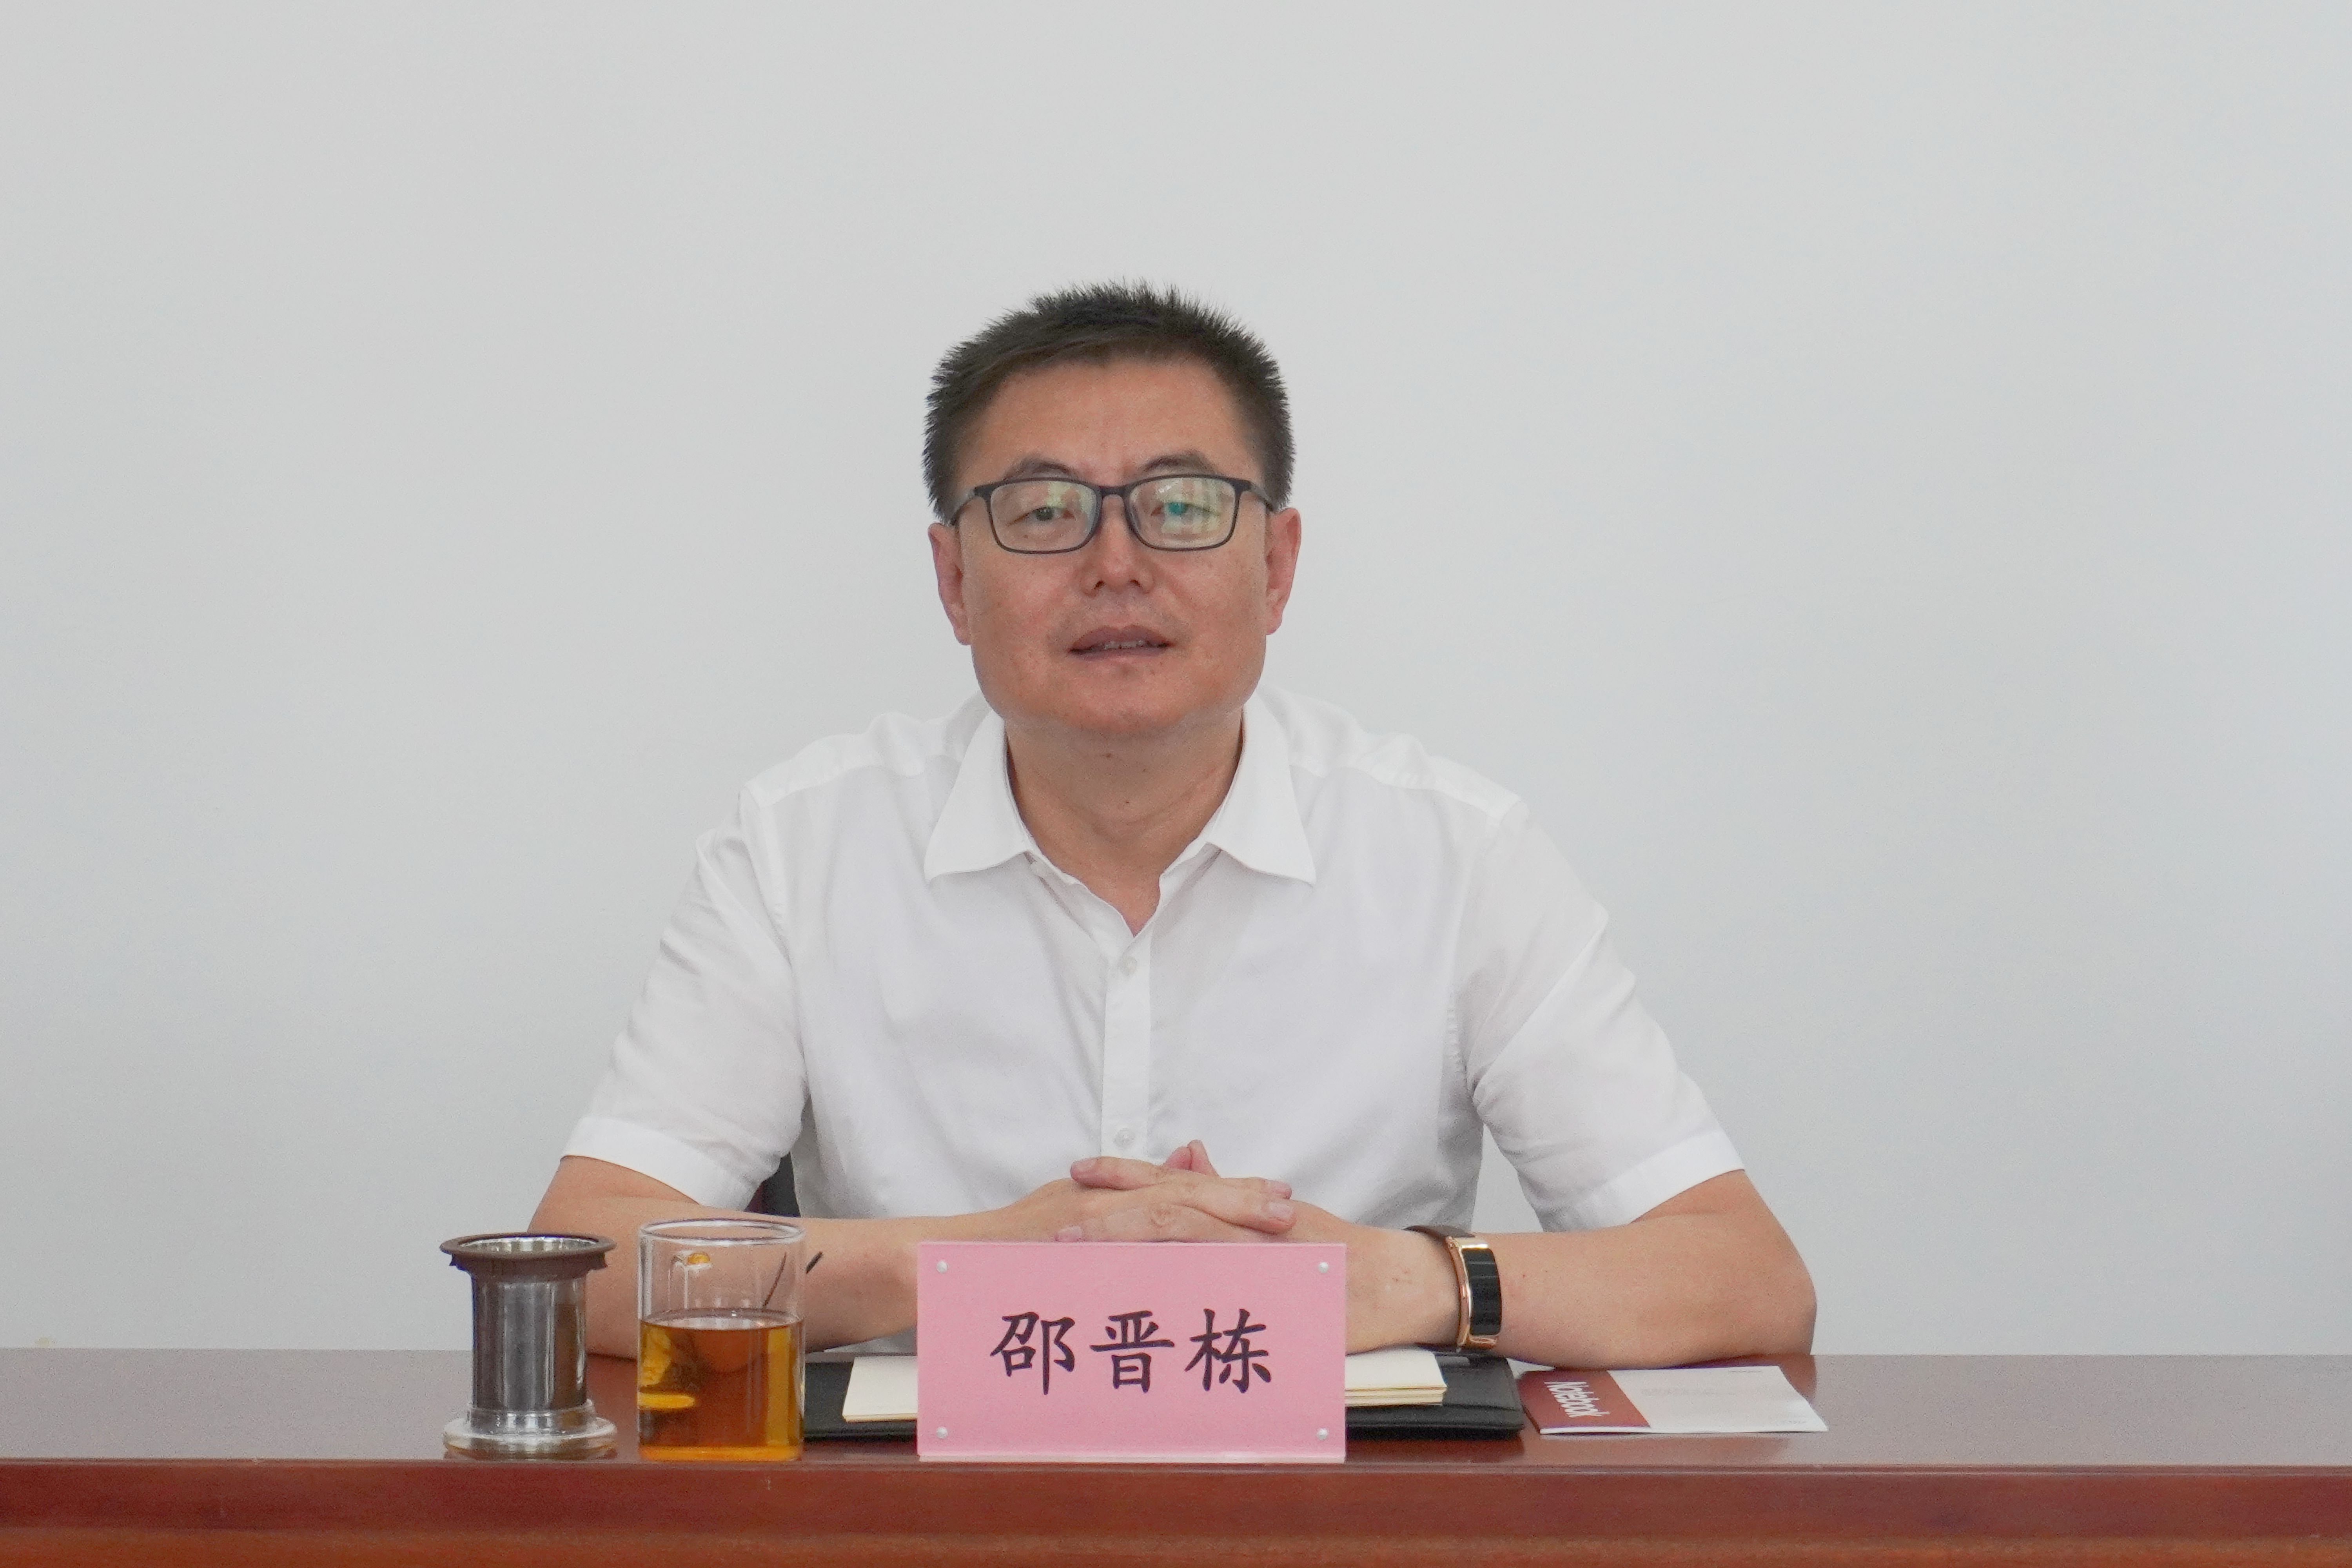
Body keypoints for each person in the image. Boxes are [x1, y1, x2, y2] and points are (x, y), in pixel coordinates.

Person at [531, 283, 1815, 1367]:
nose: (1116, 566)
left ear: (1277, 566)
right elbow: (584, 1263)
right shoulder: (802, 848)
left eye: (1183, 506)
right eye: (1044, 513)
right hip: (923, 1525)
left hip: (1340, 1531)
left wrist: (1392, 1282)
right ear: (954, 581)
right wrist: (981, 1262)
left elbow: (1746, 1280)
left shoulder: (1455, 854)